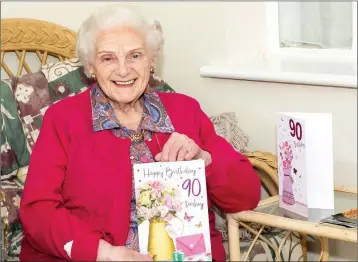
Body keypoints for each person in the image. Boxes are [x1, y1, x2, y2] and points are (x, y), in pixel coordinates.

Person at [19, 4, 261, 261]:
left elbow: (247, 196)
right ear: (90, 67)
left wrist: (204, 160)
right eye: (107, 58)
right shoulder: (64, 119)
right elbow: (38, 210)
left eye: (135, 55)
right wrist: (105, 253)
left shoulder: (185, 111)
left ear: (152, 60)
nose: (123, 70)